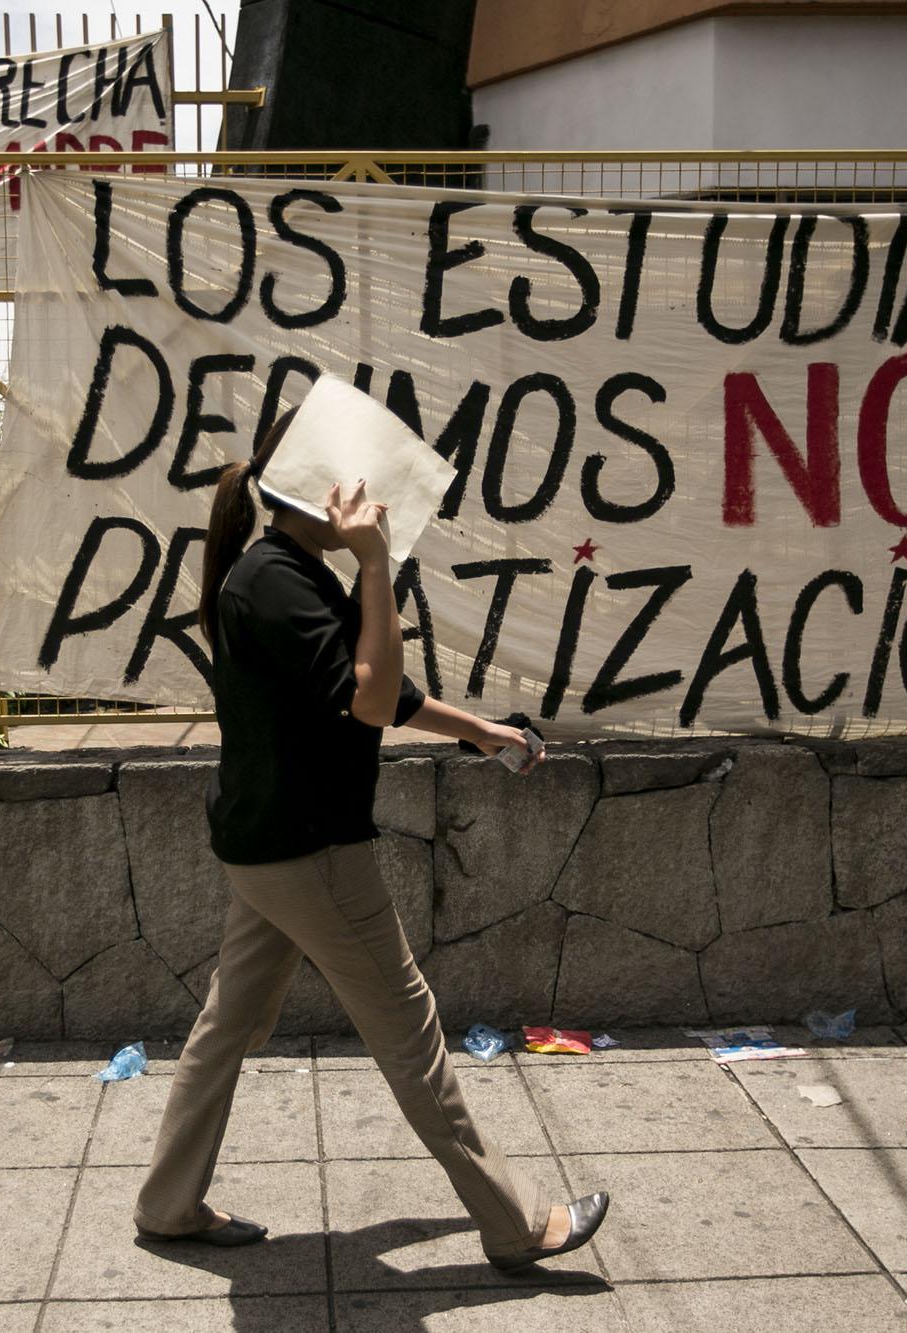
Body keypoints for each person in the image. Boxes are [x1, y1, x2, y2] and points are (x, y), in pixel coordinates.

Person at [132, 410, 610, 1272]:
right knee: (411, 1035)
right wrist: (379, 568)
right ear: (320, 486)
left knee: (229, 1021)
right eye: (359, 483)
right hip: (310, 850)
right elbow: (372, 696)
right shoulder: (278, 580)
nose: (374, 500)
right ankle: (513, 1223)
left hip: (265, 843)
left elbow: (384, 687)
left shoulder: (286, 573)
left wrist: (482, 731)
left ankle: (168, 1201)